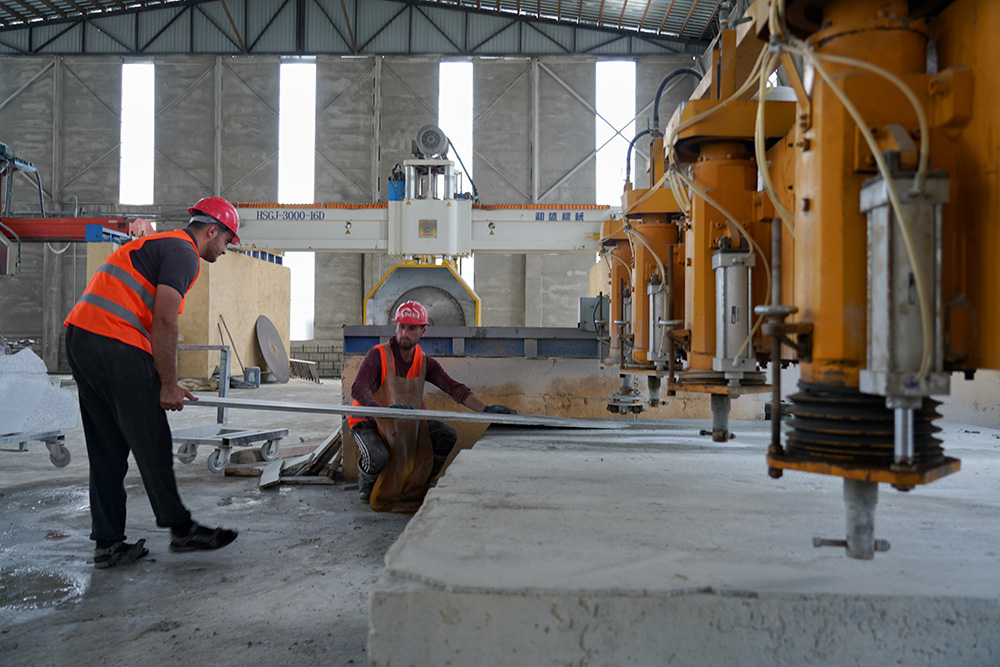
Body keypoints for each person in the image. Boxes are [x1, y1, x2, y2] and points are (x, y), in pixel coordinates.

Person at [64, 196, 241, 569]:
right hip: (116, 342)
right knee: (152, 439)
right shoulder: (184, 252)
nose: (225, 249)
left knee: (107, 448)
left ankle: (108, 544)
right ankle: (181, 529)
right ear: (212, 230)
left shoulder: (155, 245)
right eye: (226, 241)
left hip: (81, 338)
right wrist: (168, 384)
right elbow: (165, 321)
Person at [350, 300, 515, 506]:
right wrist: (382, 412)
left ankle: (421, 481)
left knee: (446, 435)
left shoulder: (424, 361)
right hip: (369, 421)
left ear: (423, 332)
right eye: (401, 326)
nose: (404, 333)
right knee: (377, 457)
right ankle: (366, 480)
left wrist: (486, 409)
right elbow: (358, 388)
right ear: (396, 327)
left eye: (412, 328)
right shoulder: (378, 355)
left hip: (406, 422)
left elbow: (454, 388)